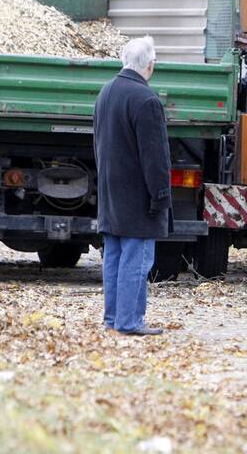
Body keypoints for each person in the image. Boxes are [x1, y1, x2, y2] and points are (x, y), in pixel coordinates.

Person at [94, 36, 171, 335]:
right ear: (150, 64)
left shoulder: (106, 92)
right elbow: (155, 156)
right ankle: (130, 321)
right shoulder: (146, 99)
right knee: (137, 259)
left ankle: (113, 319)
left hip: (111, 188)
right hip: (137, 194)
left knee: (113, 255)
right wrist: (160, 195)